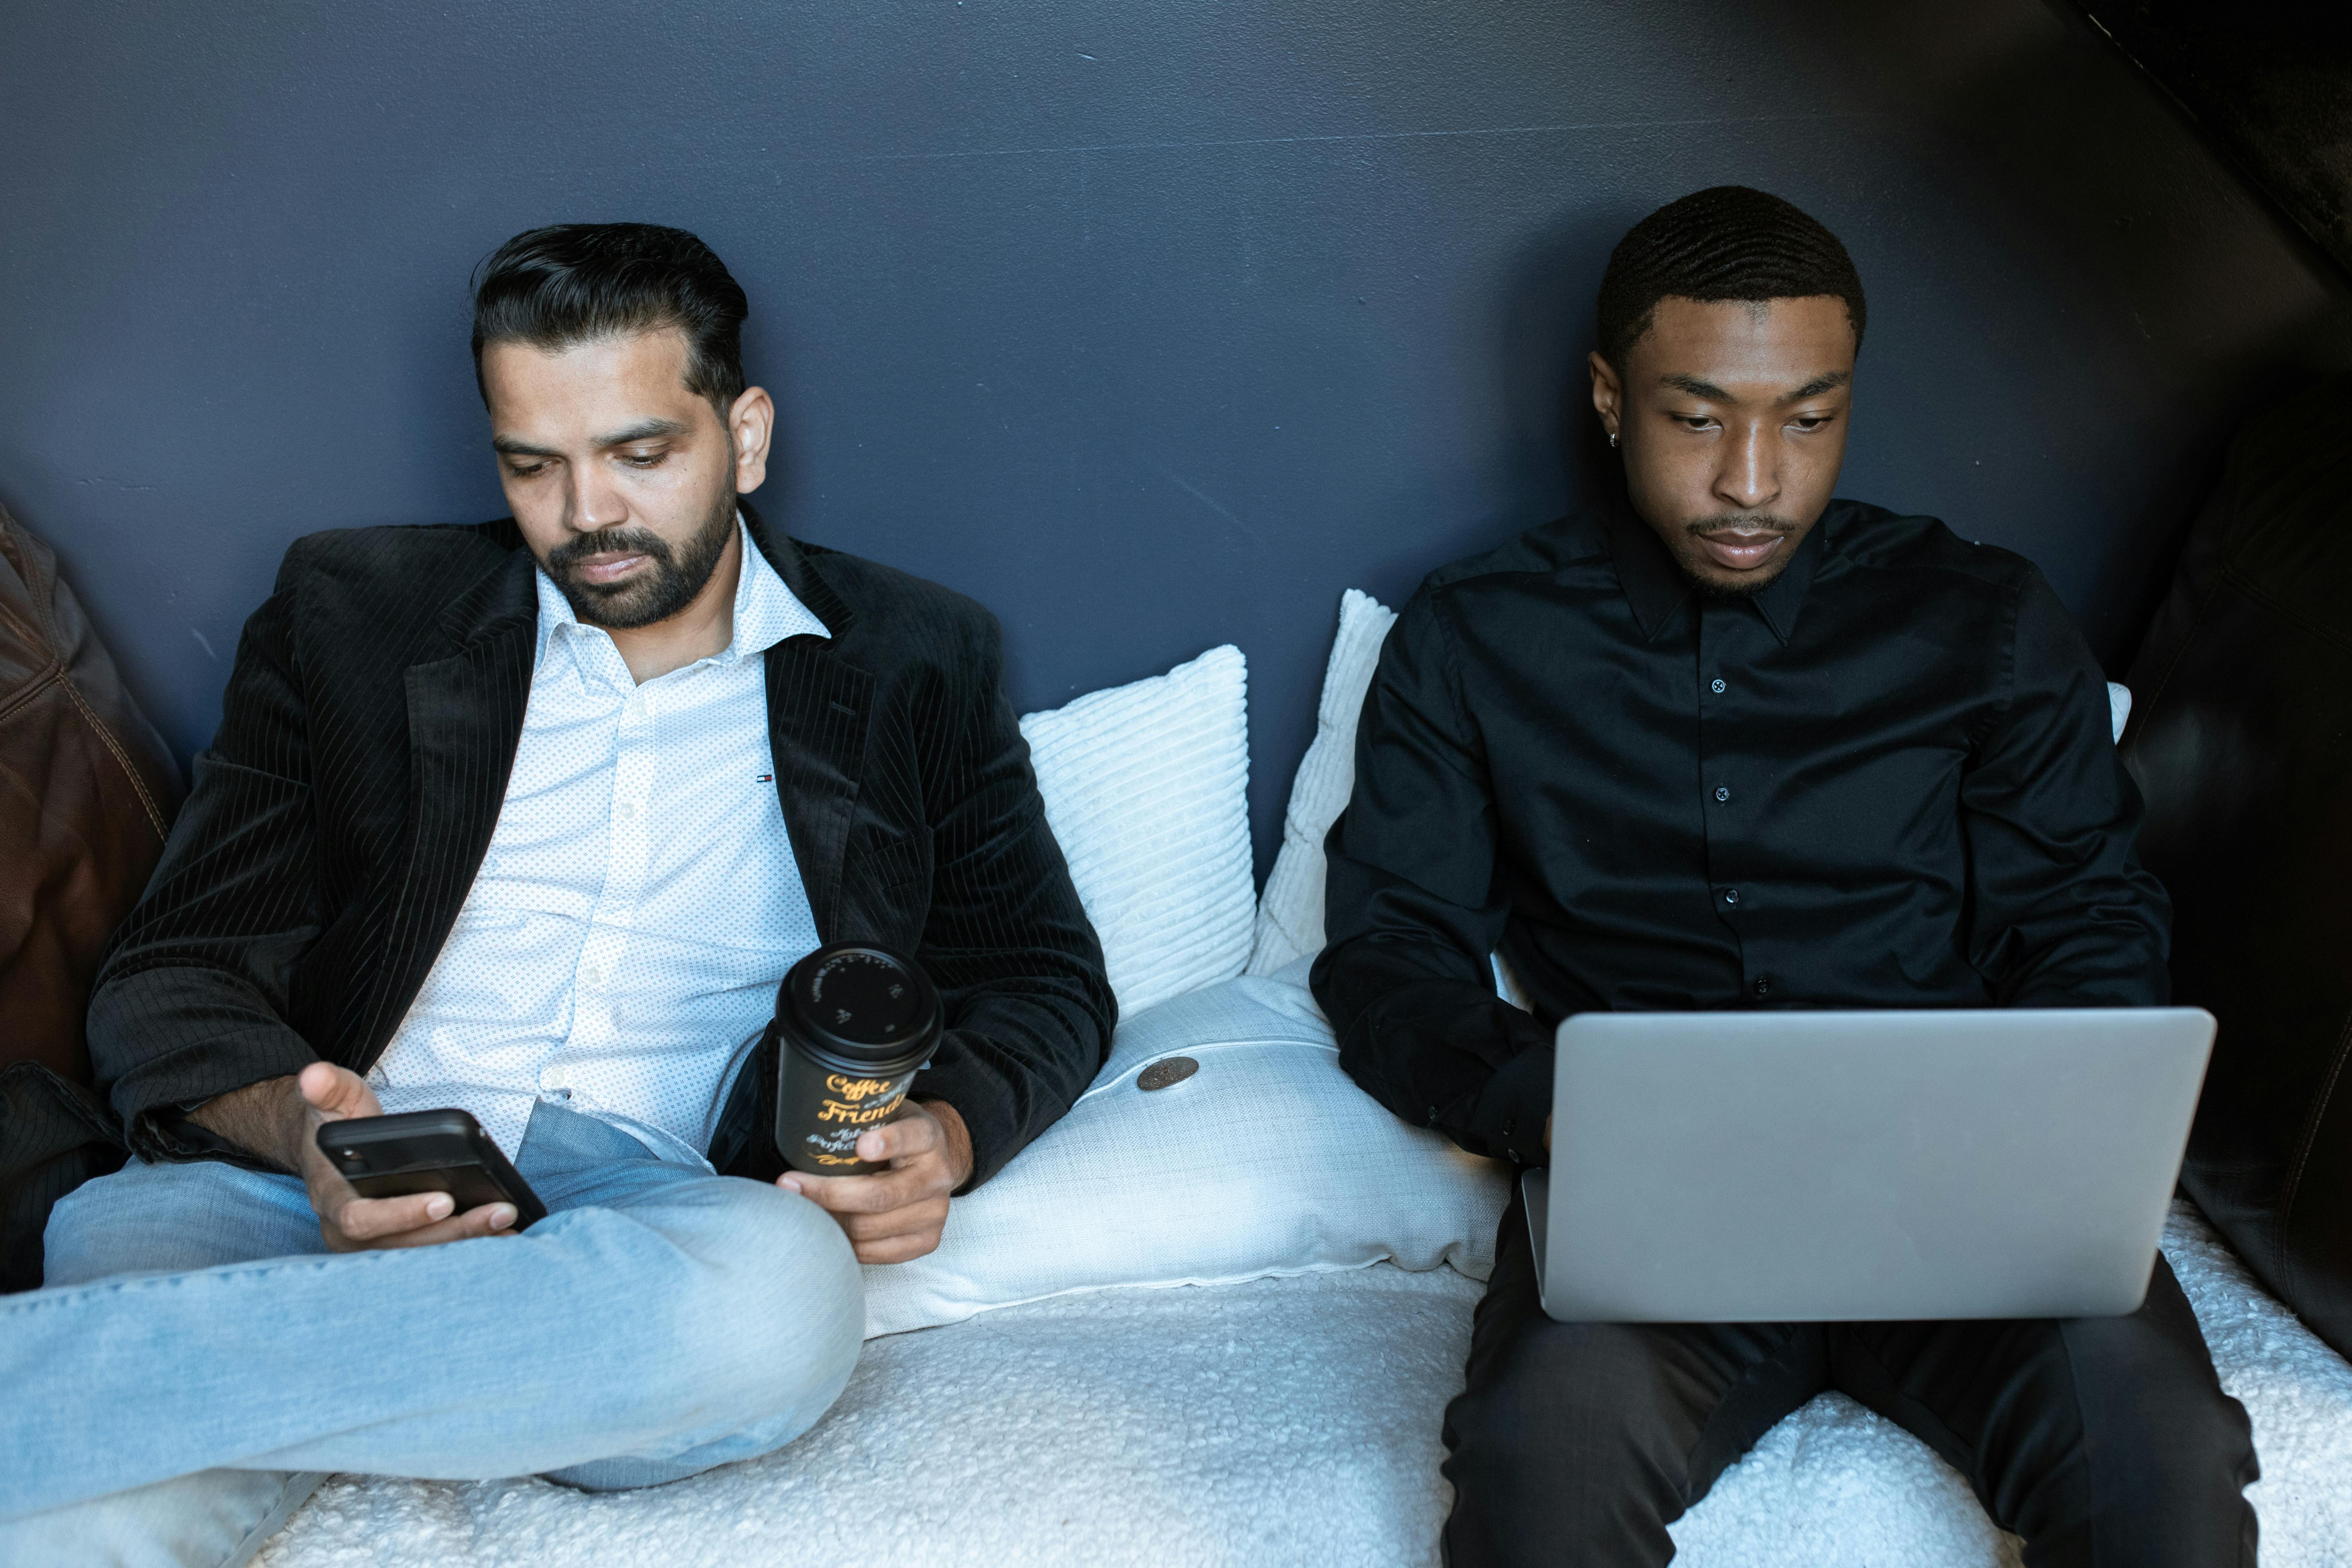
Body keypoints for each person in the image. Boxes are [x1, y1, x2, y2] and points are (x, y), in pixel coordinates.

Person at [0, 223, 1114, 1566]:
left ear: (744, 434)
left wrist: (949, 1128)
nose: (587, 514)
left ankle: (188, 1379)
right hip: (314, 1183)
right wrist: (307, 1146)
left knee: (776, 1304)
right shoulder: (350, 608)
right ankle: (467, 1378)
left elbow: (1041, 971)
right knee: (110, 1301)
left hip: (636, 1221)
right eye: (535, 465)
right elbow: (171, 969)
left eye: (641, 455)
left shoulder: (913, 658)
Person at [1312, 186, 2257, 1567]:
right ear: (1606, 397)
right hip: (1652, 1214)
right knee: (1540, 1461)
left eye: (1806, 418)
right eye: (1698, 417)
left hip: (1967, 1194)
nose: (1753, 480)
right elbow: (1390, 952)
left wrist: (2068, 1121)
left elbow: (2083, 910)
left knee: (2163, 1460)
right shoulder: (1473, 640)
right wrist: (1560, 1109)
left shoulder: (1983, 617)